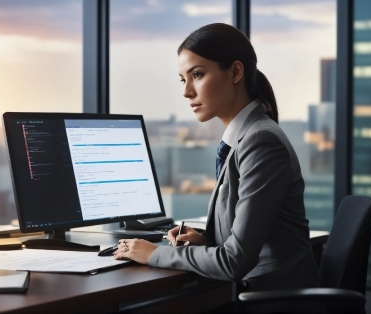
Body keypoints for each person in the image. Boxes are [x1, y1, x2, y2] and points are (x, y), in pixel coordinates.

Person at [113, 23, 321, 312]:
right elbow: (254, 234)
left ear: (236, 72)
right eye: (182, 79)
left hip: (274, 302)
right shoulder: (244, 136)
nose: (187, 91)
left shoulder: (260, 140)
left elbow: (235, 261)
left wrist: (153, 255)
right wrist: (206, 240)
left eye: (197, 75)